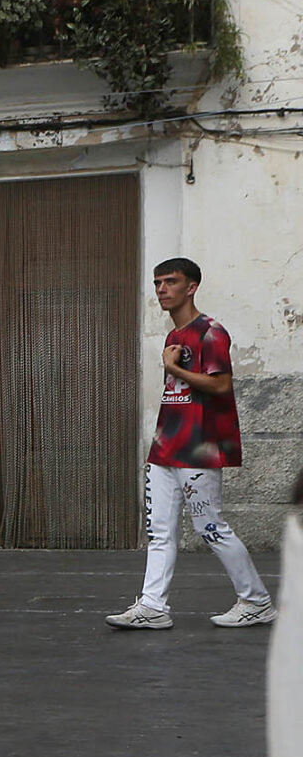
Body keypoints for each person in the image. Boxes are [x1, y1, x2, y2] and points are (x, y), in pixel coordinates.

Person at [107, 258, 274, 630]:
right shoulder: (174, 337)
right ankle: (152, 606)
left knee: (210, 527)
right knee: (159, 531)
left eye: (170, 282)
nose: (162, 289)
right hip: (166, 447)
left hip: (198, 448)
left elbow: (221, 385)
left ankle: (256, 601)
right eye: (157, 283)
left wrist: (174, 369)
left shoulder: (210, 332)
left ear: (192, 287)